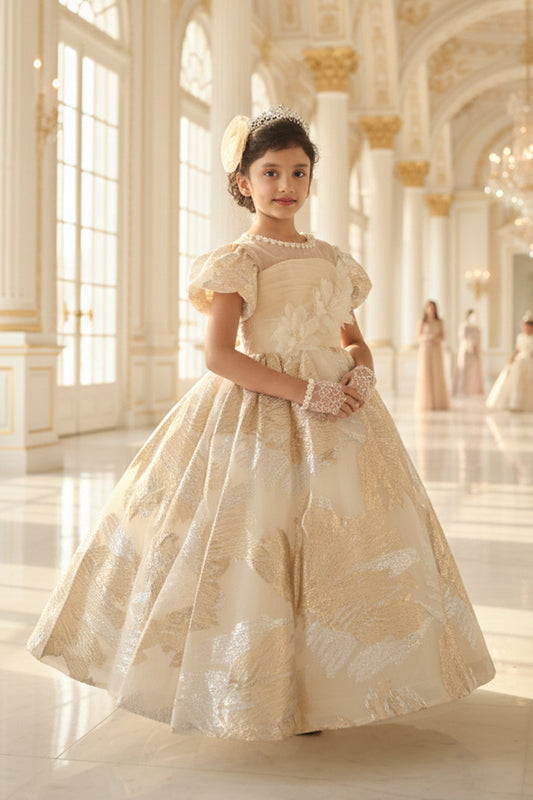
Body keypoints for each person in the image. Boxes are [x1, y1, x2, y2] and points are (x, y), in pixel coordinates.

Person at [27, 105, 494, 741]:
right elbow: (220, 356)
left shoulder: (334, 261)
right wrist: (306, 392)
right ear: (243, 181)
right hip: (263, 411)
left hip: (343, 415)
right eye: (271, 172)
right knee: (262, 543)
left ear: (310, 180)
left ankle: (324, 689)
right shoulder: (237, 260)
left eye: (299, 173)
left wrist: (359, 373)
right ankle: (262, 686)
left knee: (341, 542)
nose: (286, 186)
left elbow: (353, 339)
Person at [486, 311, 533, 411]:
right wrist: (510, 361)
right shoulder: (520, 337)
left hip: (530, 361)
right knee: (516, 379)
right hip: (520, 361)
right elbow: (516, 350)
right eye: (526, 326)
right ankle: (514, 403)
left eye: (529, 326)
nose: (527, 328)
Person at [415, 299, 450, 410]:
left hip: (436, 349)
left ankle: (438, 403)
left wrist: (437, 340)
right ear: (425, 309)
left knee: (437, 373)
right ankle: (426, 403)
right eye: (428, 307)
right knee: (426, 373)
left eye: (432, 307)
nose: (431, 309)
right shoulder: (422, 321)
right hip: (425, 350)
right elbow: (418, 336)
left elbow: (443, 336)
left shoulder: (440, 321)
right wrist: (425, 338)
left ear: (435, 309)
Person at [452, 309, 484, 396]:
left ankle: (473, 390)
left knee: (474, 370)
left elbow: (478, 339)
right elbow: (463, 337)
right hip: (466, 350)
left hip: (475, 351)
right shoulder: (464, 326)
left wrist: (476, 348)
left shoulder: (476, 328)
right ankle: (462, 390)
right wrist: (469, 345)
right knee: (464, 370)